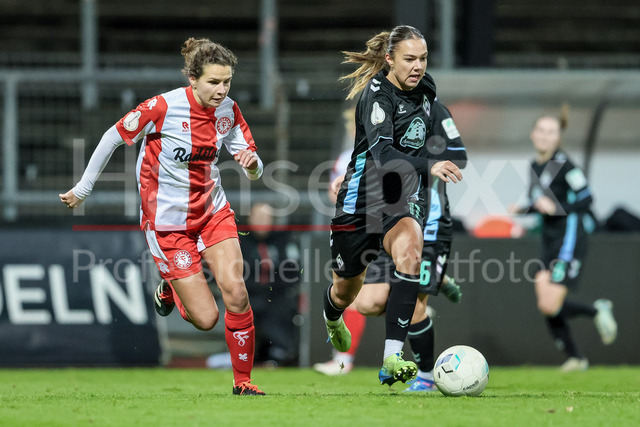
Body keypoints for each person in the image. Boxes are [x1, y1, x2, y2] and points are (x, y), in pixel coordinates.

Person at [59, 37, 266, 395]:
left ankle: (243, 382)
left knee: (236, 293)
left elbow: (255, 166)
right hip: (168, 224)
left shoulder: (229, 111)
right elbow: (112, 136)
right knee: (206, 319)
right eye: (213, 82)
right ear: (193, 79)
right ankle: (170, 287)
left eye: (227, 81)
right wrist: (83, 187)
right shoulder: (162, 107)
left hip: (213, 212)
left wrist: (252, 166)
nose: (221, 90)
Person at [322, 25, 463, 387]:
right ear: (389, 59)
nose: (418, 66)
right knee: (347, 292)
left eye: (423, 58)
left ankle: (392, 357)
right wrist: (430, 164)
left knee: (410, 254)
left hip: (401, 198)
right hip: (360, 202)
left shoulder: (427, 88)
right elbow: (383, 155)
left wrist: (432, 163)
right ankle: (333, 317)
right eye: (410, 59)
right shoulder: (376, 96)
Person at [509, 110, 617, 372]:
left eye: (551, 132)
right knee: (545, 304)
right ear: (533, 134)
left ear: (558, 138)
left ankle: (596, 311)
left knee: (551, 303)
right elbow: (541, 204)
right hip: (548, 239)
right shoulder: (535, 166)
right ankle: (576, 358)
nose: (545, 136)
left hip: (569, 239)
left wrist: (557, 207)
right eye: (541, 130)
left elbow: (587, 198)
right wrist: (524, 209)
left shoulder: (565, 165)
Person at [239, 202, 301, 367]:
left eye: (265, 217)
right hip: (248, 294)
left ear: (272, 220)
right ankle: (241, 354)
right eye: (258, 217)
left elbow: (293, 270)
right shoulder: (239, 240)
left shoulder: (283, 239)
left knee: (282, 308)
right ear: (250, 219)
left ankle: (282, 353)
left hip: (276, 295)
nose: (261, 221)